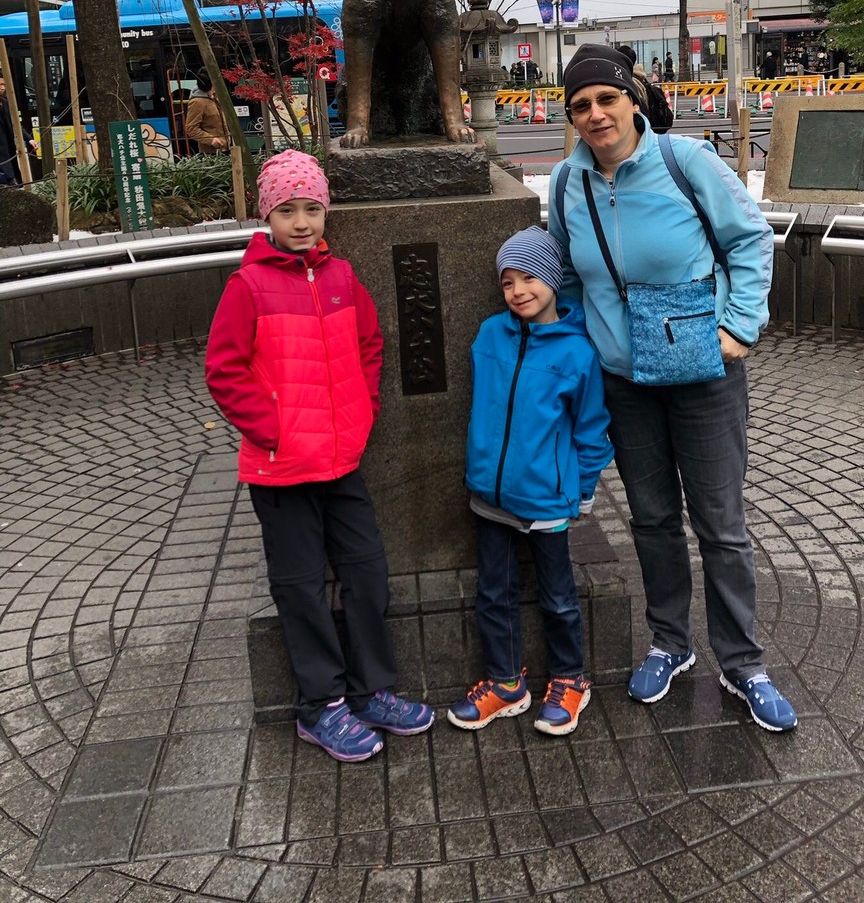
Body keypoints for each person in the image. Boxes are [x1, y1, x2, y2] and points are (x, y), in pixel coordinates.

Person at [548, 43, 797, 732]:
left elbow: (750, 240)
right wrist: (580, 344)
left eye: (606, 99)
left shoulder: (685, 164)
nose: (596, 114)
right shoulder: (569, 186)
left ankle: (743, 662)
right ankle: (670, 643)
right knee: (652, 519)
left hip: (704, 373)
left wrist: (741, 327)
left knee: (720, 525)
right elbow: (568, 276)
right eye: (581, 106)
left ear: (632, 100)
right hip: (625, 382)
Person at [205, 149, 435, 762]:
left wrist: (362, 415)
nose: (302, 222)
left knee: (366, 572)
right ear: (267, 216)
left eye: (311, 208)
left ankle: (372, 689)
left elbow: (370, 345)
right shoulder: (248, 284)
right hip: (281, 468)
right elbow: (224, 370)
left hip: (342, 461)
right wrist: (273, 431)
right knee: (301, 585)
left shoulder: (340, 277)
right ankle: (320, 705)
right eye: (287, 210)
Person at [448, 227, 613, 736]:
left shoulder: (577, 353)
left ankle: (569, 679)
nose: (518, 291)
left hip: (546, 499)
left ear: (552, 279)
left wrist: (582, 490)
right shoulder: (488, 335)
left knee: (558, 596)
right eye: (508, 282)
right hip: (489, 495)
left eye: (529, 279)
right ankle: (504, 682)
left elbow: (591, 429)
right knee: (492, 592)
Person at [0, 74, 38, 186]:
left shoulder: (6, 103)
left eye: (4, 84)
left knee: (13, 180)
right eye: (0, 84)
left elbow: (15, 124)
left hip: (7, 148)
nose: (2, 88)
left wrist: (29, 139)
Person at [185, 72, 229, 153]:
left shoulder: (214, 97)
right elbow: (191, 128)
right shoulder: (197, 102)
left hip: (226, 146)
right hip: (211, 151)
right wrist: (211, 140)